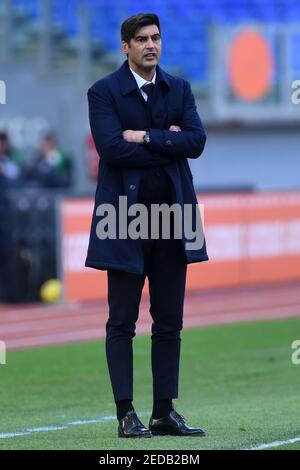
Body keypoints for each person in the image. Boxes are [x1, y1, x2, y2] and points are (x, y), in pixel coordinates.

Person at [86, 13, 209, 438]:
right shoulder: (103, 92)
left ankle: (163, 411)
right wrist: (168, 141)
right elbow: (112, 149)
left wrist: (148, 136)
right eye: (141, 39)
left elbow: (196, 141)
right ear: (125, 47)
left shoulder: (179, 88)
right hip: (123, 220)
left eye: (156, 38)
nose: (150, 45)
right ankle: (125, 413)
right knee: (121, 321)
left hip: (173, 220)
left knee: (169, 321)